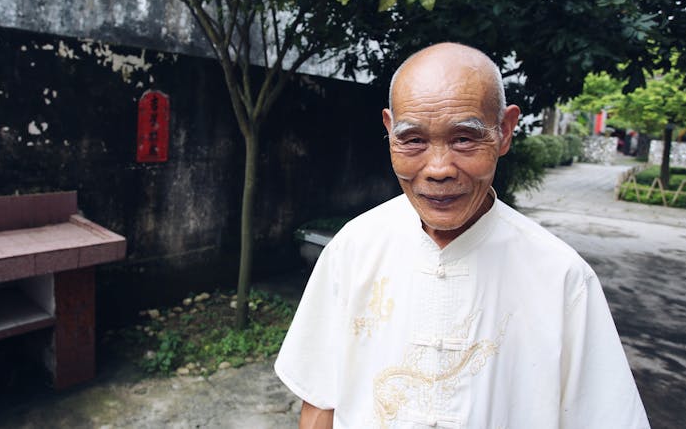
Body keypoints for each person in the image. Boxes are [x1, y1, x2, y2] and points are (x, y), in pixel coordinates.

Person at [275, 43, 649, 428]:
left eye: (464, 139)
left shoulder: (562, 277)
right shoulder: (352, 249)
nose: (439, 169)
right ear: (389, 131)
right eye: (414, 139)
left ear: (504, 132)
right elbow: (320, 402)